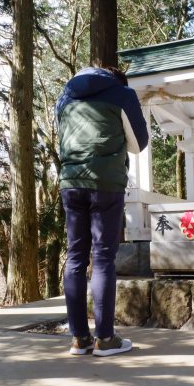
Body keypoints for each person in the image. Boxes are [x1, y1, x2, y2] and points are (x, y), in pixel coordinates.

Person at [56, 66, 149, 357]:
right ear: (118, 80)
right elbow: (138, 143)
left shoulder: (65, 97)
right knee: (104, 256)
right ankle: (105, 339)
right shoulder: (123, 94)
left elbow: (63, 138)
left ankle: (79, 339)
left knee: (75, 256)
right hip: (106, 183)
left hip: (70, 182)